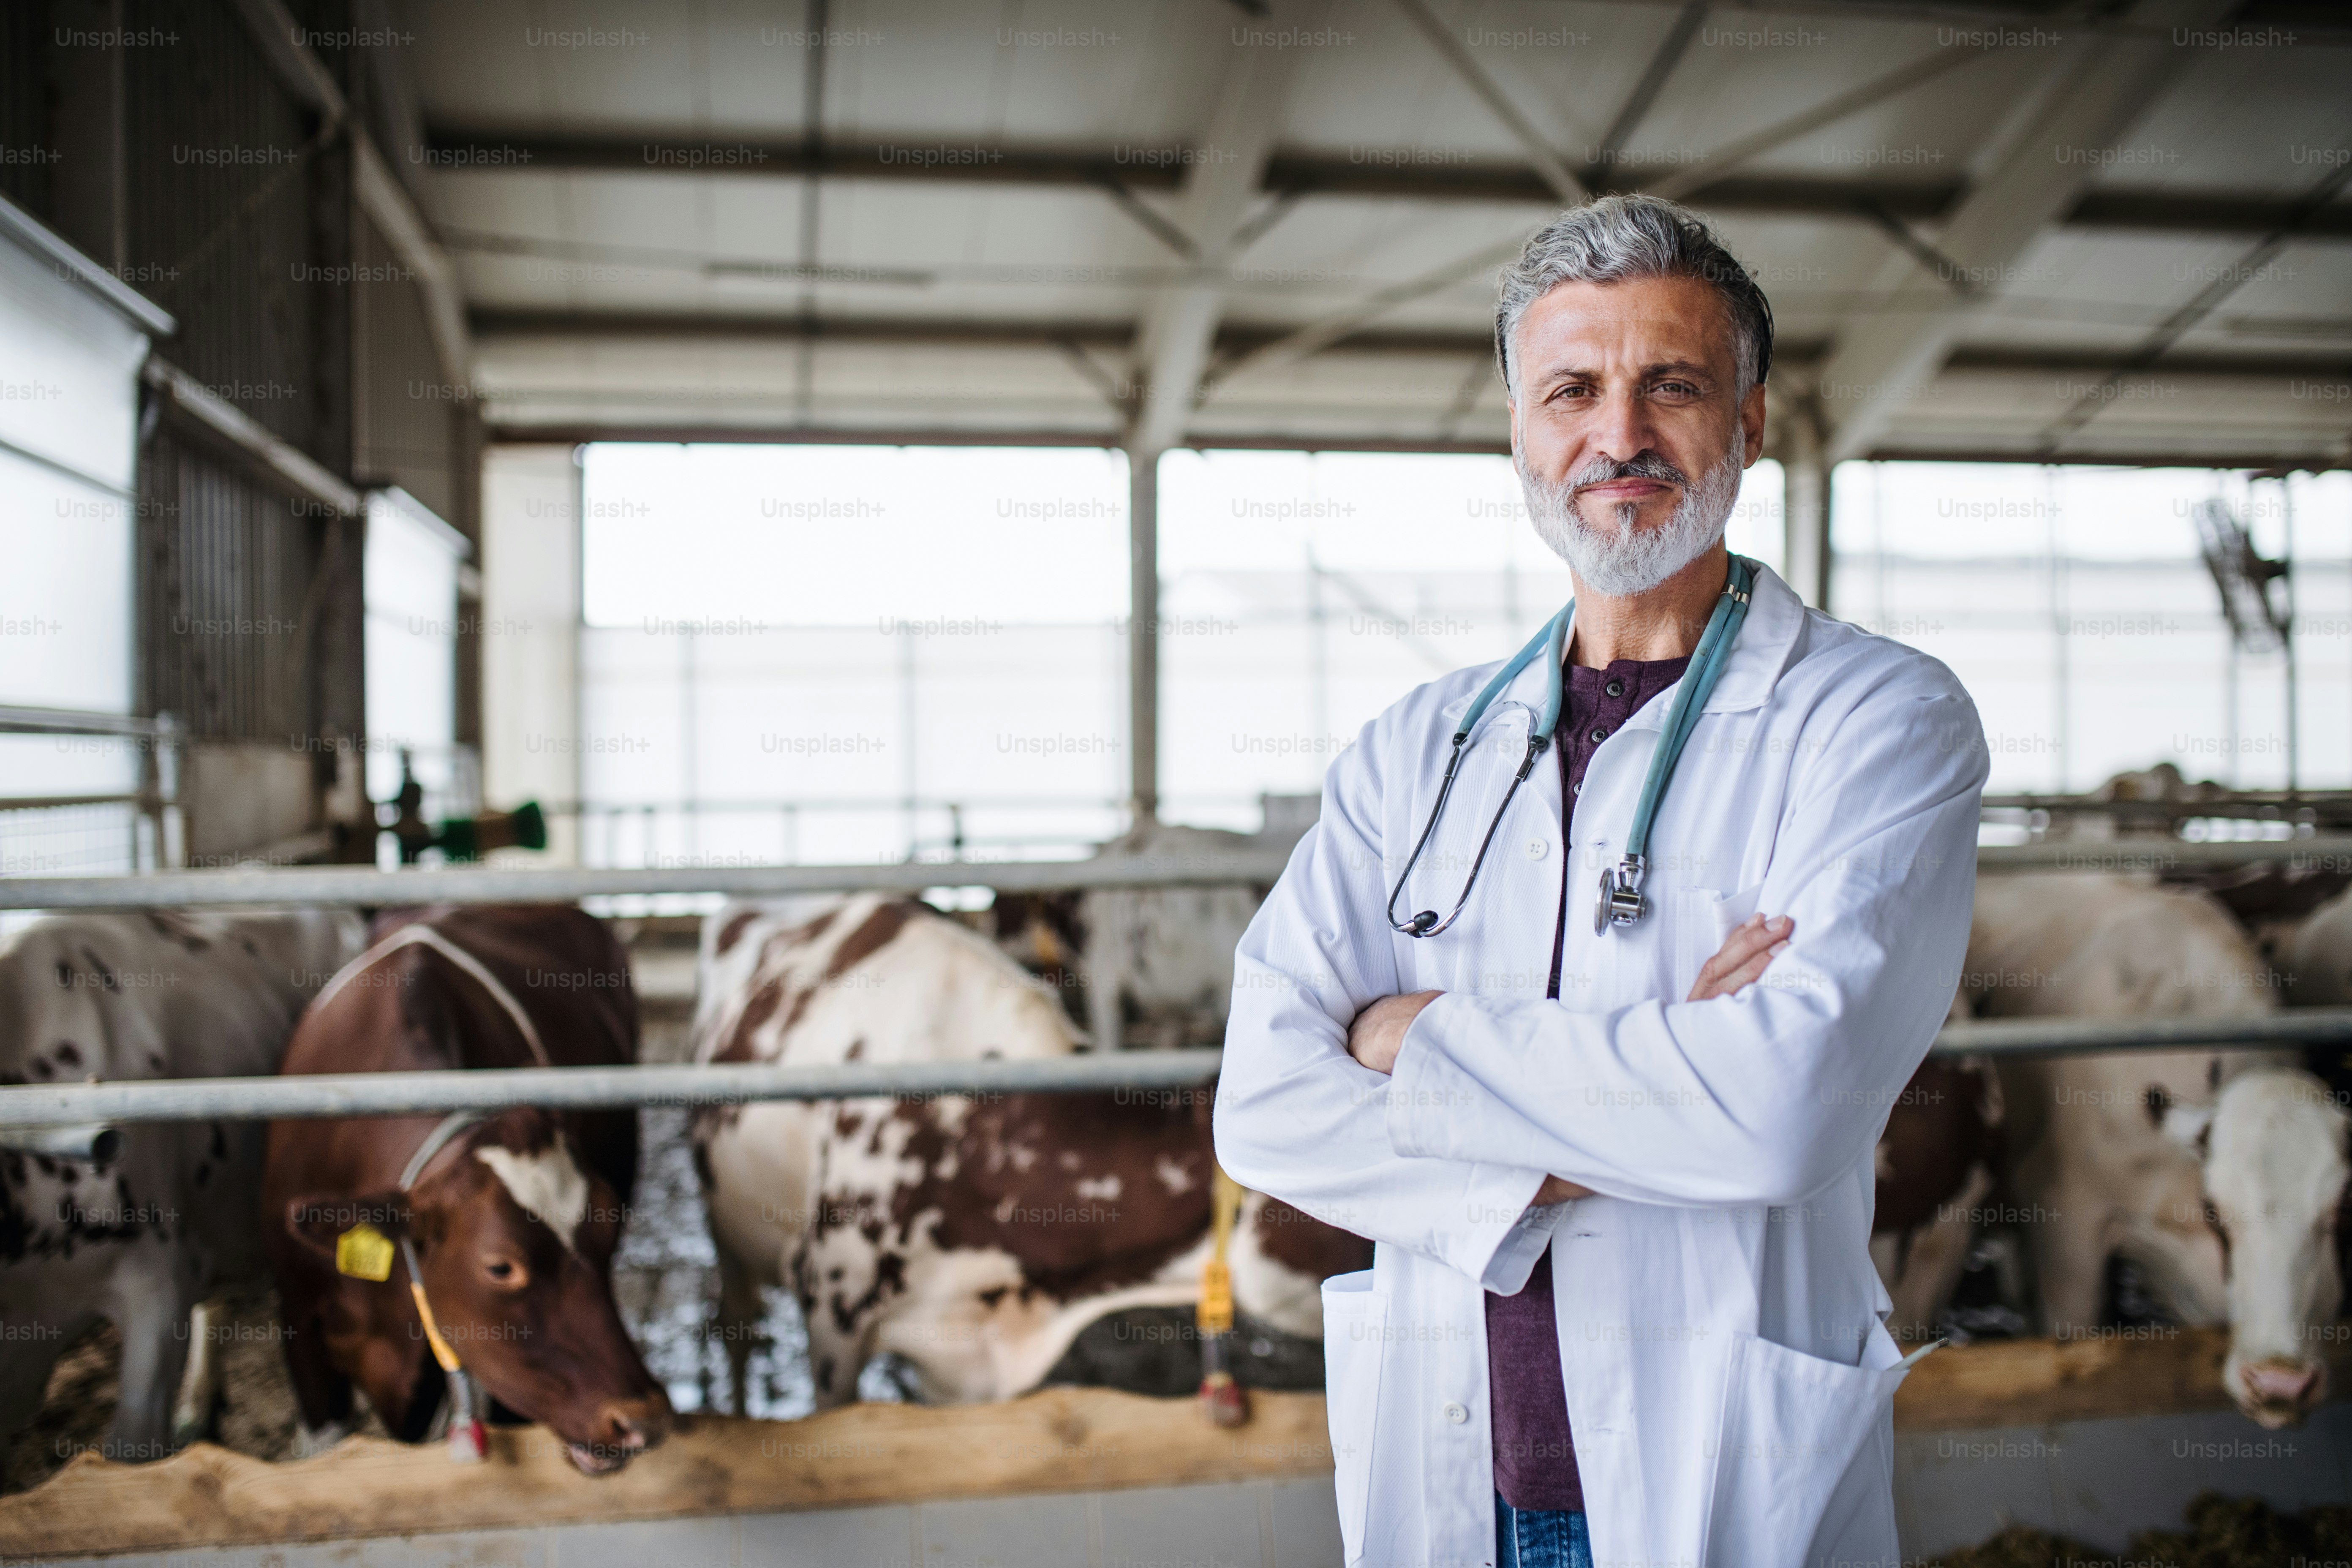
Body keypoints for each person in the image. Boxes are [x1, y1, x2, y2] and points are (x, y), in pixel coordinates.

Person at [1212, 194, 1987, 1568]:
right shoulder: (1415, 749)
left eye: (1671, 386)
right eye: (1571, 391)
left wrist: (1411, 1039)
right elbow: (1267, 1106)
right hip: (1455, 1459)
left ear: (1749, 421)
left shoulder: (1877, 719)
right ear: (1519, 429)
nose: (1618, 436)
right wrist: (1660, 1079)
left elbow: (1779, 1113)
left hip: (1717, 1454)